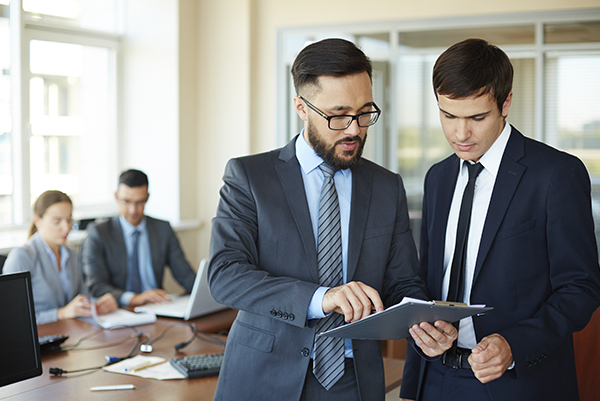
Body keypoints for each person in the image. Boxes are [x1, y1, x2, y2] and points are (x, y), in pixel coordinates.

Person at [208, 38, 457, 401]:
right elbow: (225, 275)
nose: (355, 129)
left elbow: (404, 282)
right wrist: (321, 298)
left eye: (364, 112)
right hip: (264, 378)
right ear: (301, 107)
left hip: (355, 381)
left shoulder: (387, 187)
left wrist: (424, 323)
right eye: (338, 115)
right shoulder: (250, 176)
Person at [400, 38, 600, 401]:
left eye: (477, 117)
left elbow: (581, 288)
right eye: (449, 116)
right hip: (435, 380)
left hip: (519, 382)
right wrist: (423, 324)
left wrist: (514, 344)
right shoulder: (437, 177)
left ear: (505, 103)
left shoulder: (557, 174)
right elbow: (428, 275)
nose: (461, 134)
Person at [82, 169, 196, 308]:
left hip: (157, 307)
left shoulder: (162, 229)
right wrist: (134, 299)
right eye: (126, 201)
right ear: (116, 197)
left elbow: (185, 275)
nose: (133, 210)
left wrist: (205, 295)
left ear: (147, 197)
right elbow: (96, 286)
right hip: (120, 309)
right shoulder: (99, 233)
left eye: (140, 202)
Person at [3, 190, 117, 324]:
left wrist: (98, 304)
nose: (66, 228)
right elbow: (12, 319)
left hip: (69, 334)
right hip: (41, 338)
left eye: (69, 220)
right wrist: (61, 313)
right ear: (38, 221)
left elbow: (82, 298)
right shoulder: (22, 257)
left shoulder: (71, 254)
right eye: (57, 221)